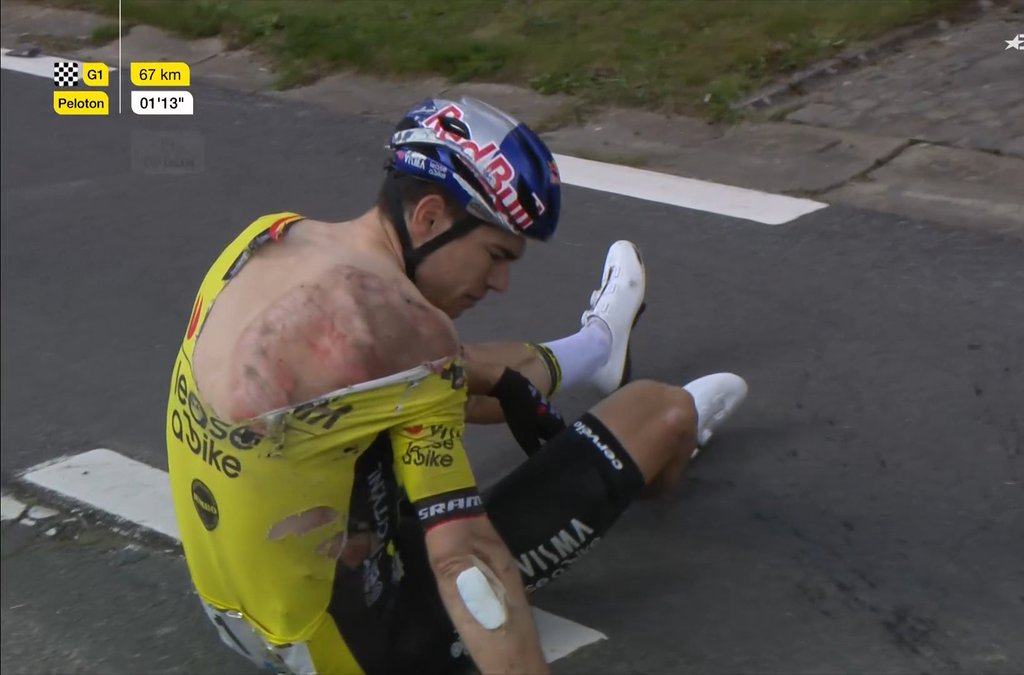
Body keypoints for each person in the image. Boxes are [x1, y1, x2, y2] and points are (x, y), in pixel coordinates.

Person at [165, 96, 748, 675]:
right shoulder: (411, 331)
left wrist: (487, 378)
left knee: (444, 377)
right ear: (430, 218)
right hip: (361, 649)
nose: (499, 283)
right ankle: (659, 448)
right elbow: (465, 558)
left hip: (242, 615)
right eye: (495, 255)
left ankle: (598, 347)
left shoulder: (269, 240)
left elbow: (374, 379)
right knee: (661, 410)